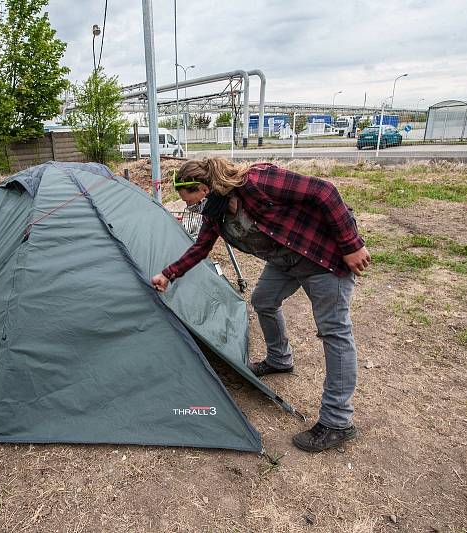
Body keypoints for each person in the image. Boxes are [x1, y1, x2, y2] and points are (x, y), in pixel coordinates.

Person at [151, 157, 370, 453]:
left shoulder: (255, 182)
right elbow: (201, 247)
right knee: (264, 300)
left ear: (204, 188)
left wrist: (351, 244)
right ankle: (280, 359)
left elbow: (325, 191)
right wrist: (168, 274)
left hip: (322, 256)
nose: (193, 209)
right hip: (286, 259)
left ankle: (337, 421)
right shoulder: (216, 211)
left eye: (190, 202)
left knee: (334, 332)